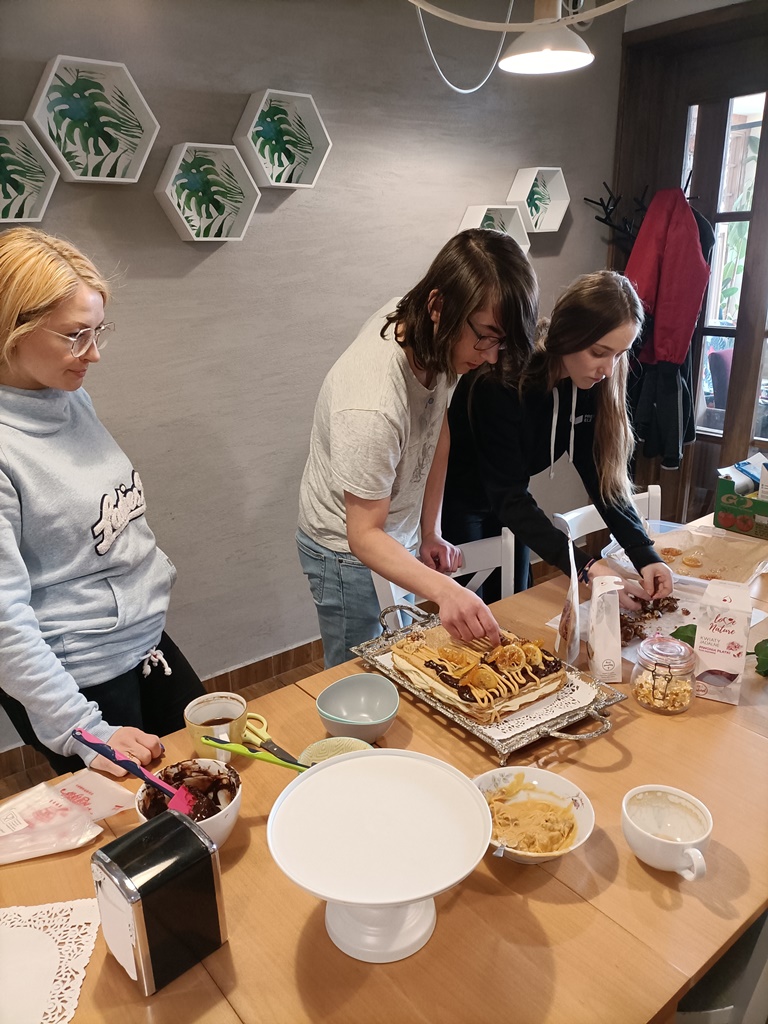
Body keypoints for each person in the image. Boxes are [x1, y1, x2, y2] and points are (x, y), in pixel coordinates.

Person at [0, 227, 205, 777]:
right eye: (74, 336)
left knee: (206, 768)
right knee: (141, 813)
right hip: (75, 675)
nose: (92, 353)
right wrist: (83, 729)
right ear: (11, 328)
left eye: (98, 332)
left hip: (141, 642)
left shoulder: (68, 398)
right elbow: (3, 620)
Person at [297, 228, 539, 667]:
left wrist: (431, 530)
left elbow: (436, 429)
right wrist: (446, 590)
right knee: (361, 678)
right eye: (486, 336)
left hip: (394, 535)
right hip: (346, 550)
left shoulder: (435, 338)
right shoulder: (372, 402)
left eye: (500, 341)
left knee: (402, 662)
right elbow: (362, 535)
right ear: (437, 305)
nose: (490, 355)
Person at [442, 270, 674, 609]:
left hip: (513, 498)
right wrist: (585, 567)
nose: (609, 369)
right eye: (599, 352)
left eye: (619, 354)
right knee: (472, 611)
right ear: (567, 335)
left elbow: (601, 478)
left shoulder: (587, 383)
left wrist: (644, 553)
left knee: (517, 600)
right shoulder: (501, 382)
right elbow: (508, 497)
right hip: (463, 499)